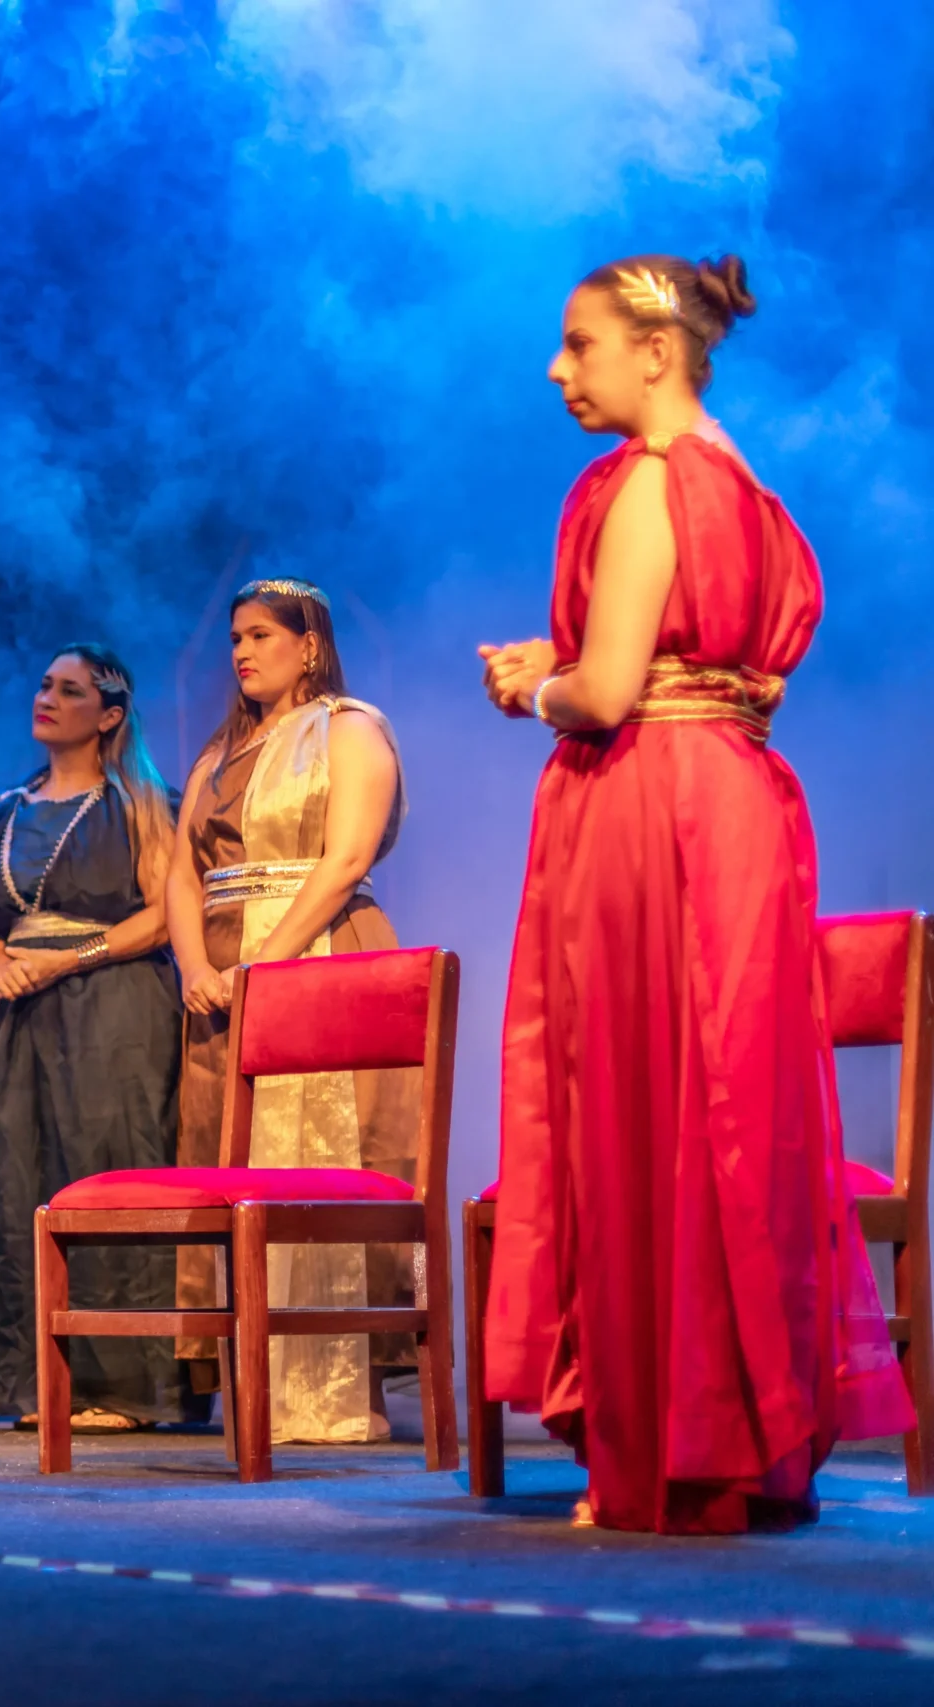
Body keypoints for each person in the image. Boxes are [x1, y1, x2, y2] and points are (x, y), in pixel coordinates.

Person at [478, 254, 914, 1533]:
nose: (558, 369)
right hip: (734, 801)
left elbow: (608, 693)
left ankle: (662, 1448)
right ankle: (743, 1439)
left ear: (655, 350)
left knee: (646, 1103)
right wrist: (576, 663)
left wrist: (533, 686)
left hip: (649, 805)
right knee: (731, 1104)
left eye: (580, 344)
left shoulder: (646, 481)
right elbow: (710, 663)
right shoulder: (749, 492)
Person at [165, 577, 411, 1445]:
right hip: (224, 973)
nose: (242, 650)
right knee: (231, 1155)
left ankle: (348, 1384)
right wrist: (196, 963)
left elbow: (346, 858)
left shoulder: (350, 727)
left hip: (319, 952)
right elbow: (181, 873)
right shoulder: (218, 754)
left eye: (262, 634)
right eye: (235, 636)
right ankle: (255, 1384)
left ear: (309, 644)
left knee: (337, 1151)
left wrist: (266, 962)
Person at [0, 643, 186, 1432]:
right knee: (16, 1184)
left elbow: (163, 915)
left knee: (108, 1172)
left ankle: (126, 1386)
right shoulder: (6, 808)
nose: (48, 698)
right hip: (21, 1012)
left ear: (109, 714)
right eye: (44, 684)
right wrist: (0, 963)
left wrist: (67, 958)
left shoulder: (141, 802)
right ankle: (39, 1383)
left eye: (70, 690)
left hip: (114, 1010)